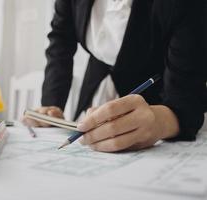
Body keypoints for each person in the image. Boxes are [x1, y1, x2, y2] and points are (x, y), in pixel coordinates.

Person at [23, 0, 207, 152]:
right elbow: (60, 42)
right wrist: (51, 106)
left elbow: (186, 105)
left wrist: (160, 122)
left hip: (156, 104)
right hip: (94, 90)